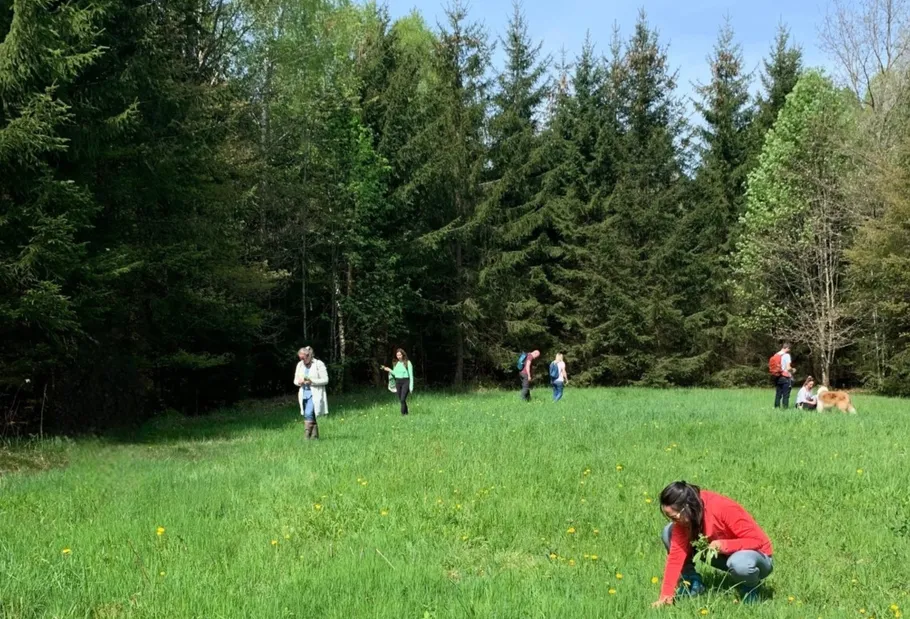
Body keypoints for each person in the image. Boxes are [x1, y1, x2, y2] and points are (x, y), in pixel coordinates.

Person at [653, 481, 773, 607]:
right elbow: (675, 557)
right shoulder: (686, 517)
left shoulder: (721, 507)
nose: (674, 521)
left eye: (674, 517)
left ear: (686, 508)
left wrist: (724, 545)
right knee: (669, 532)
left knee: (739, 563)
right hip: (723, 555)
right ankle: (692, 583)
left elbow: (757, 541)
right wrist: (666, 595)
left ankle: (750, 588)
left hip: (757, 558)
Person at [294, 346, 329, 439]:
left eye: (303, 358)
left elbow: (325, 380)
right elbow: (295, 380)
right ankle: (315, 437)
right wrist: (299, 381)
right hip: (303, 394)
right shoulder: (300, 365)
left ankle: (306, 437)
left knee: (308, 413)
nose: (302, 360)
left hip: (315, 394)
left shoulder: (318, 364)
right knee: (310, 415)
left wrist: (311, 381)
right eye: (300, 358)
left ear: (308, 355)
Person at [381, 348, 414, 416]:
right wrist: (389, 369)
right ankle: (406, 413)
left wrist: (411, 387)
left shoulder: (408, 362)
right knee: (401, 400)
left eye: (400, 355)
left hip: (406, 382)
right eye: (397, 355)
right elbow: (395, 373)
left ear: (403, 355)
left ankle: (402, 415)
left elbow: (411, 376)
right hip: (398, 382)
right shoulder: (395, 363)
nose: (398, 356)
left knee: (402, 399)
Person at [772, 343, 795, 409]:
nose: (789, 350)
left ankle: (776, 408)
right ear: (787, 348)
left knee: (778, 394)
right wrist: (793, 370)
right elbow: (788, 368)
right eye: (789, 349)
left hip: (777, 376)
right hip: (785, 377)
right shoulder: (786, 355)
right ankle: (785, 409)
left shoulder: (776, 354)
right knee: (786, 395)